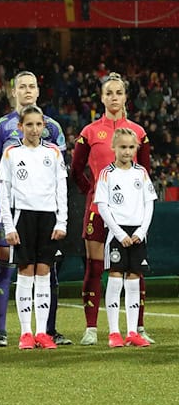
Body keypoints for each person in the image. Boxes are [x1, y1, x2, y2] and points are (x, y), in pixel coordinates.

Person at [0, 71, 69, 348]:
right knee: (9, 267)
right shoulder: (0, 127)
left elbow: (59, 178)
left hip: (47, 212)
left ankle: (47, 330)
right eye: (22, 86)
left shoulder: (54, 129)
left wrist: (61, 216)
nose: (28, 90)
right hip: (14, 210)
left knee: (46, 270)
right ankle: (3, 331)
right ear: (14, 91)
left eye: (32, 85)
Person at [71, 73, 153, 346]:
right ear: (102, 97)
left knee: (134, 267)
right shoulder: (90, 132)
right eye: (109, 93)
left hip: (131, 214)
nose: (114, 97)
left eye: (119, 92)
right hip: (98, 211)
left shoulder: (138, 132)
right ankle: (92, 328)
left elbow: (145, 174)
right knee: (95, 269)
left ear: (125, 97)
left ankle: (137, 328)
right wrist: (92, 192)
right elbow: (76, 171)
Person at [93, 128, 155, 348]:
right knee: (116, 277)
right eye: (123, 147)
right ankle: (113, 332)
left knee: (134, 279)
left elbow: (149, 204)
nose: (127, 151)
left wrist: (140, 232)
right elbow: (102, 205)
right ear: (114, 148)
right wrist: (119, 232)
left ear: (136, 148)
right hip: (117, 234)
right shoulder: (107, 174)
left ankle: (131, 332)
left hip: (137, 234)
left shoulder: (141, 173)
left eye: (131, 147)